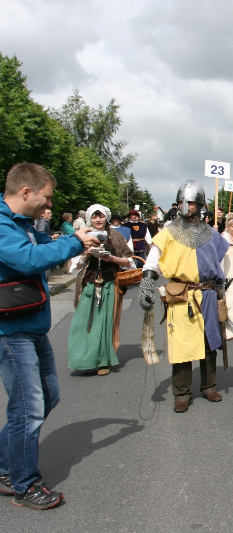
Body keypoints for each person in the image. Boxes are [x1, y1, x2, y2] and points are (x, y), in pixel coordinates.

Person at [0, 162, 98, 509]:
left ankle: (5, 464)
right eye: (46, 197)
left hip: (31, 325)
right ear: (26, 192)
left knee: (46, 396)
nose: (50, 204)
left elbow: (42, 248)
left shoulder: (22, 224)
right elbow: (28, 259)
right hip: (12, 332)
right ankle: (24, 484)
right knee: (29, 408)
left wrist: (74, 243)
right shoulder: (2, 224)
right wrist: (73, 242)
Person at [139, 180, 230, 413]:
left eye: (191, 202)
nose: (187, 206)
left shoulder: (211, 234)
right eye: (183, 202)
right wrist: (146, 287)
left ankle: (209, 386)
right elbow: (152, 263)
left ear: (199, 205)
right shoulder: (169, 232)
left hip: (207, 293)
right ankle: (181, 393)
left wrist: (221, 287)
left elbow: (219, 264)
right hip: (181, 295)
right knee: (182, 345)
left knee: (209, 342)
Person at [66, 205, 136, 376]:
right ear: (89, 218)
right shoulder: (82, 237)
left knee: (106, 324)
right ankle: (83, 359)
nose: (98, 220)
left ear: (106, 218)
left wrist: (110, 258)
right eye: (94, 217)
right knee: (82, 323)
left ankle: (104, 361)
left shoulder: (116, 236)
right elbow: (74, 268)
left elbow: (130, 261)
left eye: (101, 216)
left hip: (110, 284)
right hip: (89, 284)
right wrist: (88, 254)